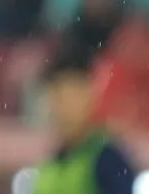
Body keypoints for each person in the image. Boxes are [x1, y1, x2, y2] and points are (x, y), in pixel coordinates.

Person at [32, 44, 137, 194]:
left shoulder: (108, 161)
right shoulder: (49, 164)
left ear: (89, 94)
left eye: (66, 96)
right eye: (54, 96)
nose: (59, 107)